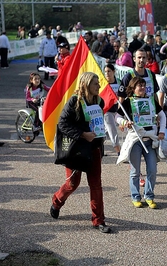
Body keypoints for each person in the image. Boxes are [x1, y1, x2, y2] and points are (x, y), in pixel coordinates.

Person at [50, 72, 111, 233]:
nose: (99, 86)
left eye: (99, 83)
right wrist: (83, 134)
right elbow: (62, 123)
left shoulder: (100, 101)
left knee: (96, 184)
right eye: (95, 83)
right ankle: (56, 201)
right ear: (86, 85)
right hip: (76, 150)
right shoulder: (74, 102)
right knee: (72, 183)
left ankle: (99, 220)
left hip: (94, 148)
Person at [115, 77, 166, 209]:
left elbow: (162, 115)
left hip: (150, 140)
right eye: (139, 86)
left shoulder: (152, 101)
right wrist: (125, 122)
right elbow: (117, 116)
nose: (142, 88)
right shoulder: (128, 102)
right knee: (135, 171)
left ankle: (149, 196)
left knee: (152, 170)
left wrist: (162, 131)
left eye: (144, 85)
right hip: (136, 140)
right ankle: (135, 196)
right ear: (133, 88)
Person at [103, 64, 121, 155]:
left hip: (118, 111)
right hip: (107, 111)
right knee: (112, 130)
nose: (107, 74)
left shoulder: (119, 82)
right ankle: (119, 152)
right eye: (105, 72)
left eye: (109, 71)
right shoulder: (102, 84)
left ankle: (100, 144)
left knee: (105, 132)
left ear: (114, 72)